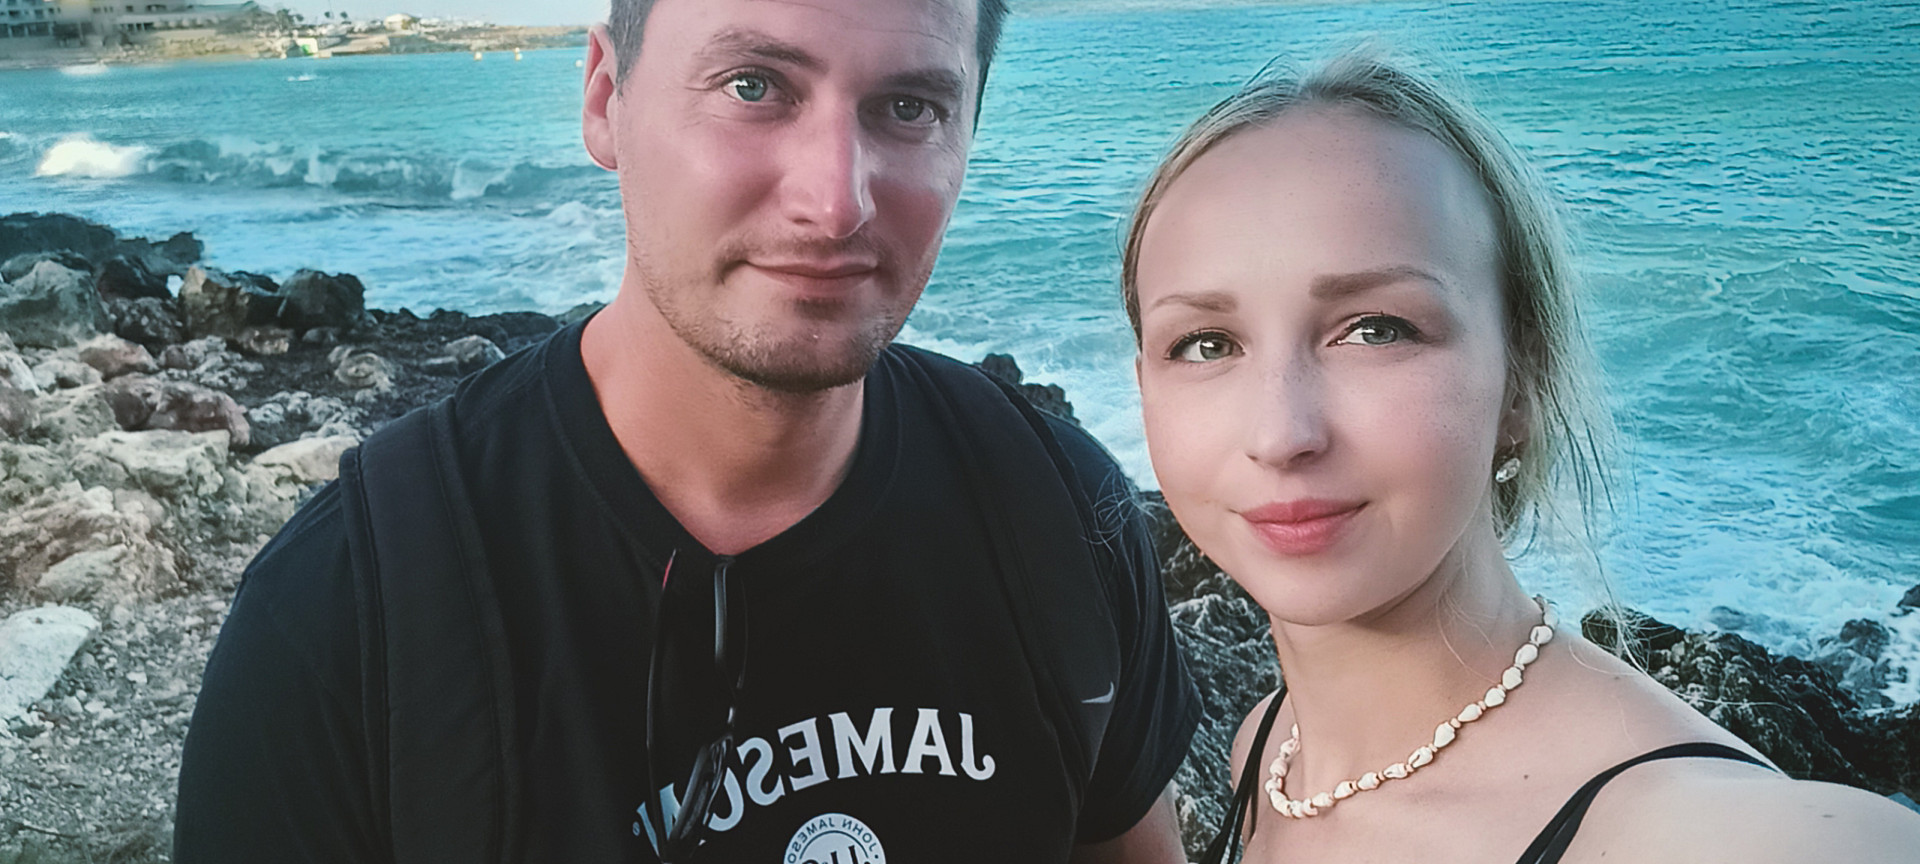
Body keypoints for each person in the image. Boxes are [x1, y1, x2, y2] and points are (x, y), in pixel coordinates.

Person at [172, 0, 1201, 861]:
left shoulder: (1057, 511)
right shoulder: (350, 616)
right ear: (604, 98)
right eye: (754, 86)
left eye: (908, 107)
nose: (835, 202)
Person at [1122, 49, 1920, 864]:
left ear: (1521, 381)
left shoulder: (1729, 837)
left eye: (1376, 329)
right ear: (1143, 383)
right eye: (1205, 343)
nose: (1280, 433)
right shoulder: (1269, 749)